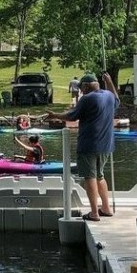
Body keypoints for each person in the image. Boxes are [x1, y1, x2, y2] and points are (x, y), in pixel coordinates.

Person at [46, 72, 120, 222]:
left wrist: (55, 115)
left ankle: (94, 213)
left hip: (88, 144)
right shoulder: (109, 96)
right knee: (100, 176)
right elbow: (117, 99)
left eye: (81, 88)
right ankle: (106, 208)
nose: (80, 90)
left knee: (90, 177)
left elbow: (72, 116)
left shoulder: (87, 98)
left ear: (86, 86)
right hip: (106, 144)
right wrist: (110, 81)